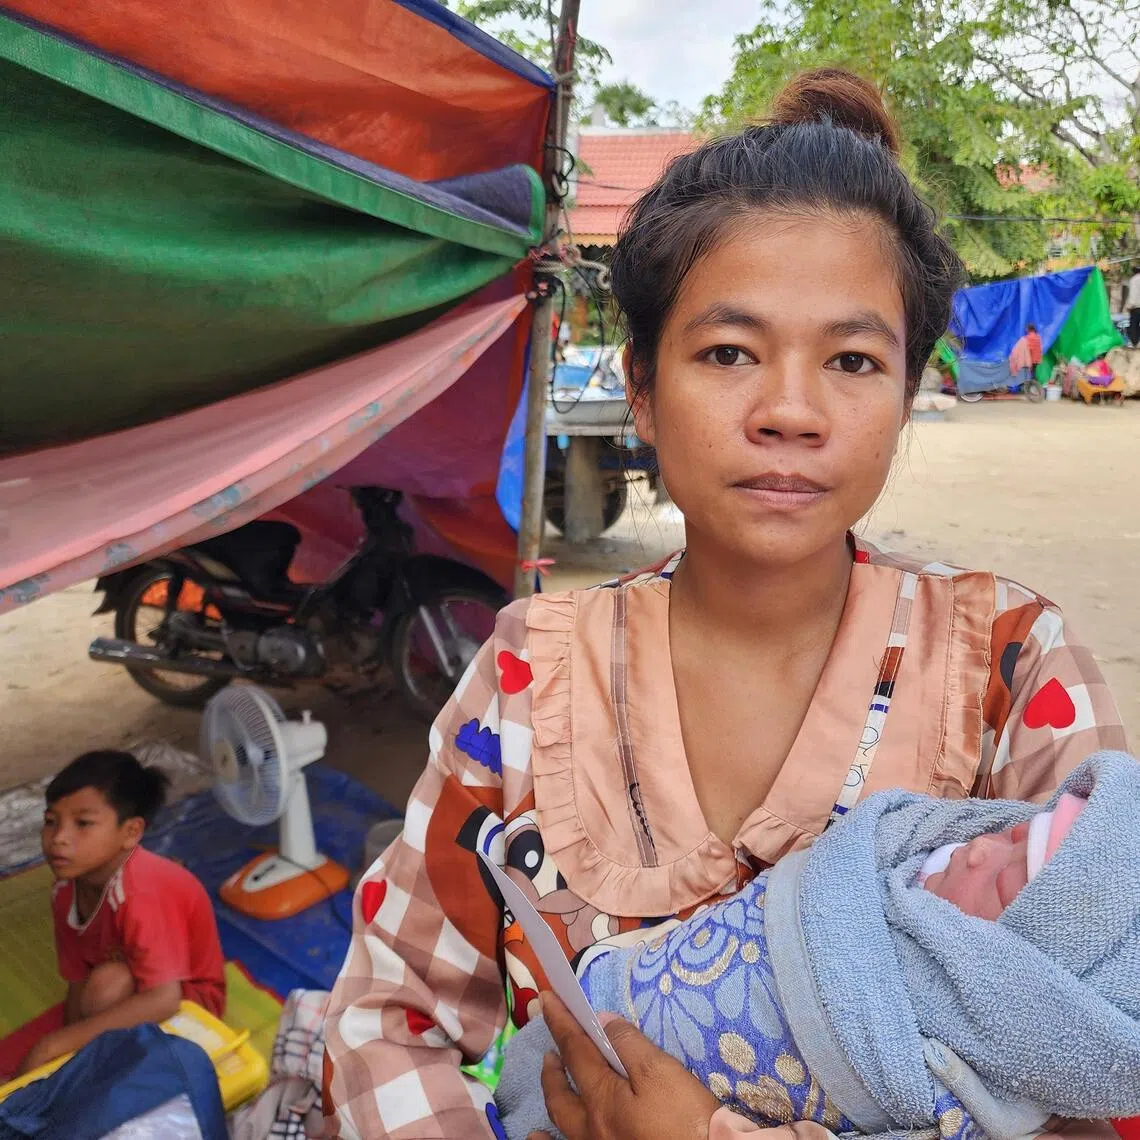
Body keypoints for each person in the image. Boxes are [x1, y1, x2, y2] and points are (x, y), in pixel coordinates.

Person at [322, 68, 1128, 1140]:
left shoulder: (1009, 671)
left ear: (907, 393)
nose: (790, 410)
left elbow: (1100, 1055)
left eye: (852, 359)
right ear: (642, 390)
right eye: (729, 352)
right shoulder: (530, 675)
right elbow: (383, 1023)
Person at [497, 753, 1140, 1139]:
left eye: (1005, 882)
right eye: (1011, 833)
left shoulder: (1021, 667)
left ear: (1029, 995)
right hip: (579, 1026)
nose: (977, 850)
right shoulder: (519, 672)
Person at [18, 750, 225, 1076]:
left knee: (106, 987)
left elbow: (165, 999)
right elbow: (77, 980)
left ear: (130, 833)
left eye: (83, 823)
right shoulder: (64, 892)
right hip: (134, 981)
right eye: (51, 821)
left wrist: (51, 1047)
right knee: (95, 994)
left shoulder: (140, 892)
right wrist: (64, 1055)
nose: (58, 838)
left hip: (191, 1006)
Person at [1126, 269, 1140, 348]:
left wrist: (1129, 306)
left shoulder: (1134, 279)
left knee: (1134, 326)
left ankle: (1136, 344)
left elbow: (1133, 295)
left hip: (1137, 307)